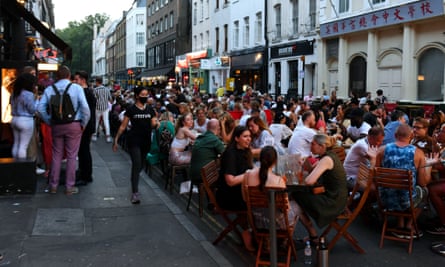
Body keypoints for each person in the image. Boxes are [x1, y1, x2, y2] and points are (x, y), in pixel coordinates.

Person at [37, 65, 91, 195]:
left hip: (56, 125)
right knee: (72, 156)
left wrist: (49, 121)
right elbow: (85, 109)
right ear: (69, 76)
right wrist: (83, 124)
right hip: (74, 124)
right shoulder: (77, 88)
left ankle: (53, 185)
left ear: (57, 76)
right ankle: (69, 187)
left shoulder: (50, 89)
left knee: (56, 155)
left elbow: (40, 109)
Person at [375, 124, 432, 237]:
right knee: (424, 191)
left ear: (395, 135)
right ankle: (409, 225)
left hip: (386, 199)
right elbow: (422, 182)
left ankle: (400, 223)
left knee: (397, 187)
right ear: (410, 136)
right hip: (407, 201)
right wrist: (428, 167)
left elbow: (376, 174)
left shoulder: (382, 150)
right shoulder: (418, 153)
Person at [292, 134, 348, 242]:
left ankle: (312, 234)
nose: (310, 147)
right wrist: (306, 166)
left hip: (334, 202)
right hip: (337, 196)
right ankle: (312, 234)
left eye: (313, 144)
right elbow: (312, 171)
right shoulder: (327, 156)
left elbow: (309, 181)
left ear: (322, 146)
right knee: (298, 194)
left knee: (296, 195)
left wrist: (305, 171)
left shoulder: (326, 159)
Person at [113, 86, 158, 204]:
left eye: (146, 94)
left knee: (140, 166)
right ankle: (135, 193)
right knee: (136, 164)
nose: (145, 97)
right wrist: (116, 139)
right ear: (137, 96)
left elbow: (153, 123)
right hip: (133, 140)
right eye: (143, 94)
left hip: (146, 141)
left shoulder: (150, 109)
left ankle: (134, 180)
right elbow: (123, 125)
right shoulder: (131, 109)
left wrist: (156, 123)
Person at [216, 125, 254, 251]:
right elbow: (231, 181)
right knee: (260, 203)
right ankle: (253, 235)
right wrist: (250, 174)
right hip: (229, 197)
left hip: (239, 192)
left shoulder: (244, 150)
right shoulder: (231, 154)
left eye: (249, 136)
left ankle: (255, 234)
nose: (248, 139)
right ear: (237, 138)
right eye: (245, 136)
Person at [243, 146, 299, 229]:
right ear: (275, 161)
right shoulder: (278, 181)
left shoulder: (247, 174)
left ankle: (270, 239)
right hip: (275, 223)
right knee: (297, 206)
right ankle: (285, 239)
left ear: (260, 159)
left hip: (255, 219)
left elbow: (245, 198)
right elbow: (285, 209)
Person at [73, 71, 96, 186]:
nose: (75, 82)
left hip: (85, 125)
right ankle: (84, 172)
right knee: (83, 150)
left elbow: (85, 111)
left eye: (76, 80)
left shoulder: (85, 93)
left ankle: (85, 175)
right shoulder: (88, 92)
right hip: (87, 124)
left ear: (83, 80)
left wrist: (83, 125)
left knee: (84, 150)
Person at [10, 73, 38, 159]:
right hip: (26, 120)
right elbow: (32, 109)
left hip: (14, 119)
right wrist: (37, 100)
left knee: (16, 144)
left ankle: (15, 165)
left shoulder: (14, 93)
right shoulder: (28, 94)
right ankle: (21, 167)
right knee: (23, 146)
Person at [189, 119, 225, 185]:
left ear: (207, 127)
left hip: (192, 174)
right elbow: (226, 155)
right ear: (218, 128)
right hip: (203, 176)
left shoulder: (200, 137)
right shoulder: (215, 139)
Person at [92, 76, 112, 143]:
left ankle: (94, 135)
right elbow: (110, 99)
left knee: (96, 121)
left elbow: (93, 100)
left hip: (97, 107)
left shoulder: (95, 90)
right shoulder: (107, 89)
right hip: (105, 107)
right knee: (106, 121)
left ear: (97, 82)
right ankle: (108, 137)